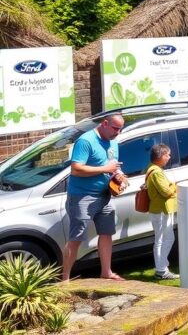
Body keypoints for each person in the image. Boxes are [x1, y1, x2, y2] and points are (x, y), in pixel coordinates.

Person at [62, 113, 125, 281]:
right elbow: (76, 169)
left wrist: (119, 176)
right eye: (115, 128)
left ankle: (106, 272)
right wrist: (106, 169)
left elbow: (113, 166)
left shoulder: (113, 142)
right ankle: (65, 279)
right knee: (76, 238)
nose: (118, 133)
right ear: (105, 123)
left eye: (120, 129)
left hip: (105, 196)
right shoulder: (86, 141)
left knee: (107, 233)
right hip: (82, 197)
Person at [146, 144, 179, 280]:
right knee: (166, 238)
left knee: (160, 239)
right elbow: (166, 192)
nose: (169, 157)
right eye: (167, 155)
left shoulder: (151, 169)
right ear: (161, 156)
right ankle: (161, 269)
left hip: (158, 209)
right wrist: (174, 186)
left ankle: (162, 267)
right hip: (161, 210)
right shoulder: (157, 172)